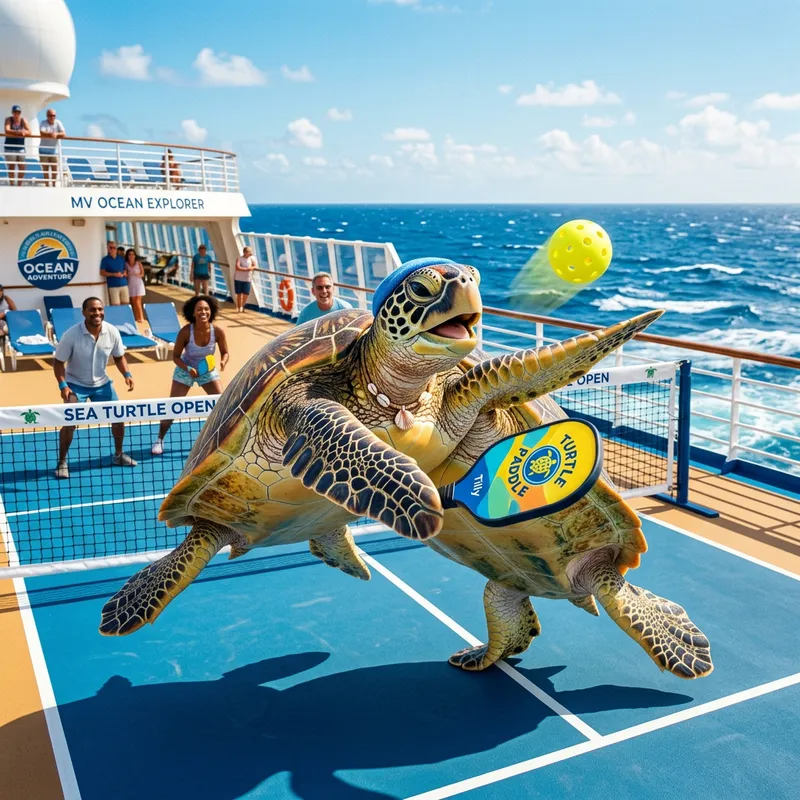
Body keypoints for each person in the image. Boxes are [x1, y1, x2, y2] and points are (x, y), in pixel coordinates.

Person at [53, 297, 137, 479]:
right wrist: (63, 385)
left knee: (118, 417)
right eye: (92, 310)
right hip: (75, 385)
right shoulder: (71, 335)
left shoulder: (112, 331)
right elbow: (58, 363)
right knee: (70, 424)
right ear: (84, 312)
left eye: (99, 309)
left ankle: (118, 455)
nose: (97, 313)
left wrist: (127, 374)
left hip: (102, 384)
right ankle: (62, 462)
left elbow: (119, 357)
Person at [151, 294, 229, 455]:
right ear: (193, 312)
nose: (203, 312)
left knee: (221, 403)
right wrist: (187, 369)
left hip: (207, 371)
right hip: (185, 370)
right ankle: (159, 439)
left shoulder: (217, 331)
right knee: (173, 406)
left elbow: (225, 352)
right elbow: (175, 357)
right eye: (199, 309)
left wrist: (223, 362)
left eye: (206, 309)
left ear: (211, 311)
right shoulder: (186, 332)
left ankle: (220, 438)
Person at [4, 105, 31, 186]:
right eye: (15, 112)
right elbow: (7, 130)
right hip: (10, 147)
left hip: (20, 147)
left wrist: (24, 132)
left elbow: (29, 132)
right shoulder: (9, 119)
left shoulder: (23, 120)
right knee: (11, 167)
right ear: (12, 112)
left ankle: (19, 185)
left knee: (22, 167)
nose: (17, 114)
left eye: (18, 112)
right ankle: (12, 184)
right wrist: (18, 132)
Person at [39, 108, 65, 186]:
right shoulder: (43, 123)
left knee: (54, 169)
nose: (52, 117)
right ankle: (47, 185)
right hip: (43, 150)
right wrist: (50, 134)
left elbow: (63, 133)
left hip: (54, 150)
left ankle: (53, 184)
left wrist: (56, 134)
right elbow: (42, 132)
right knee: (45, 169)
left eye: (53, 115)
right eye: (50, 115)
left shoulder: (58, 123)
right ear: (47, 116)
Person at [100, 239, 129, 306]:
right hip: (113, 286)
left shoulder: (121, 258)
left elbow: (125, 269)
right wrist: (114, 274)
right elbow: (102, 272)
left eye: (114, 247)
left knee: (126, 305)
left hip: (124, 284)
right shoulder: (105, 260)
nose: (113, 249)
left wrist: (124, 273)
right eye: (111, 247)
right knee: (116, 306)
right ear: (108, 249)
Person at [125, 248, 146, 322]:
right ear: (127, 256)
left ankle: (141, 317)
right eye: (130, 254)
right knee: (133, 302)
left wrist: (138, 275)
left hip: (138, 284)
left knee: (138, 301)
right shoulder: (126, 264)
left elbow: (142, 274)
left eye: (133, 254)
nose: (131, 256)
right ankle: (135, 317)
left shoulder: (138, 263)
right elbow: (125, 274)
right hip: (131, 284)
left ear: (135, 255)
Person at [233, 246, 256, 313]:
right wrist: (246, 269)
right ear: (245, 252)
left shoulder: (252, 258)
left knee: (246, 293)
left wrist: (251, 268)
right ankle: (238, 306)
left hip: (247, 279)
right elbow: (237, 267)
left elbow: (254, 265)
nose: (250, 253)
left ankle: (242, 306)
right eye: (249, 252)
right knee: (239, 294)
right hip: (239, 278)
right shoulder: (239, 258)